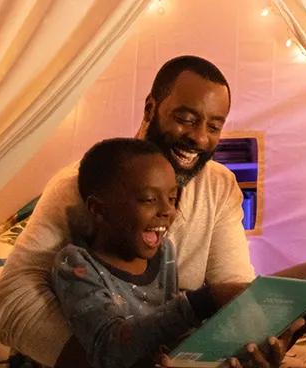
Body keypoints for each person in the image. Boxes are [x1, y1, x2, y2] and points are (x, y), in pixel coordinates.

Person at [0, 56, 306, 368]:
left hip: (187, 349)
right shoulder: (83, 185)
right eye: (186, 118)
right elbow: (9, 302)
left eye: (214, 125)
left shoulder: (219, 185)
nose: (199, 137)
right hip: (113, 354)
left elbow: (230, 286)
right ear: (151, 107)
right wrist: (113, 362)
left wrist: (248, 343)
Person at [53, 138, 235, 368]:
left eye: (172, 198)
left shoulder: (165, 252)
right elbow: (110, 348)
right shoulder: (76, 264)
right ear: (98, 209)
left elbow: (171, 337)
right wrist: (201, 302)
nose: (168, 210)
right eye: (149, 199)